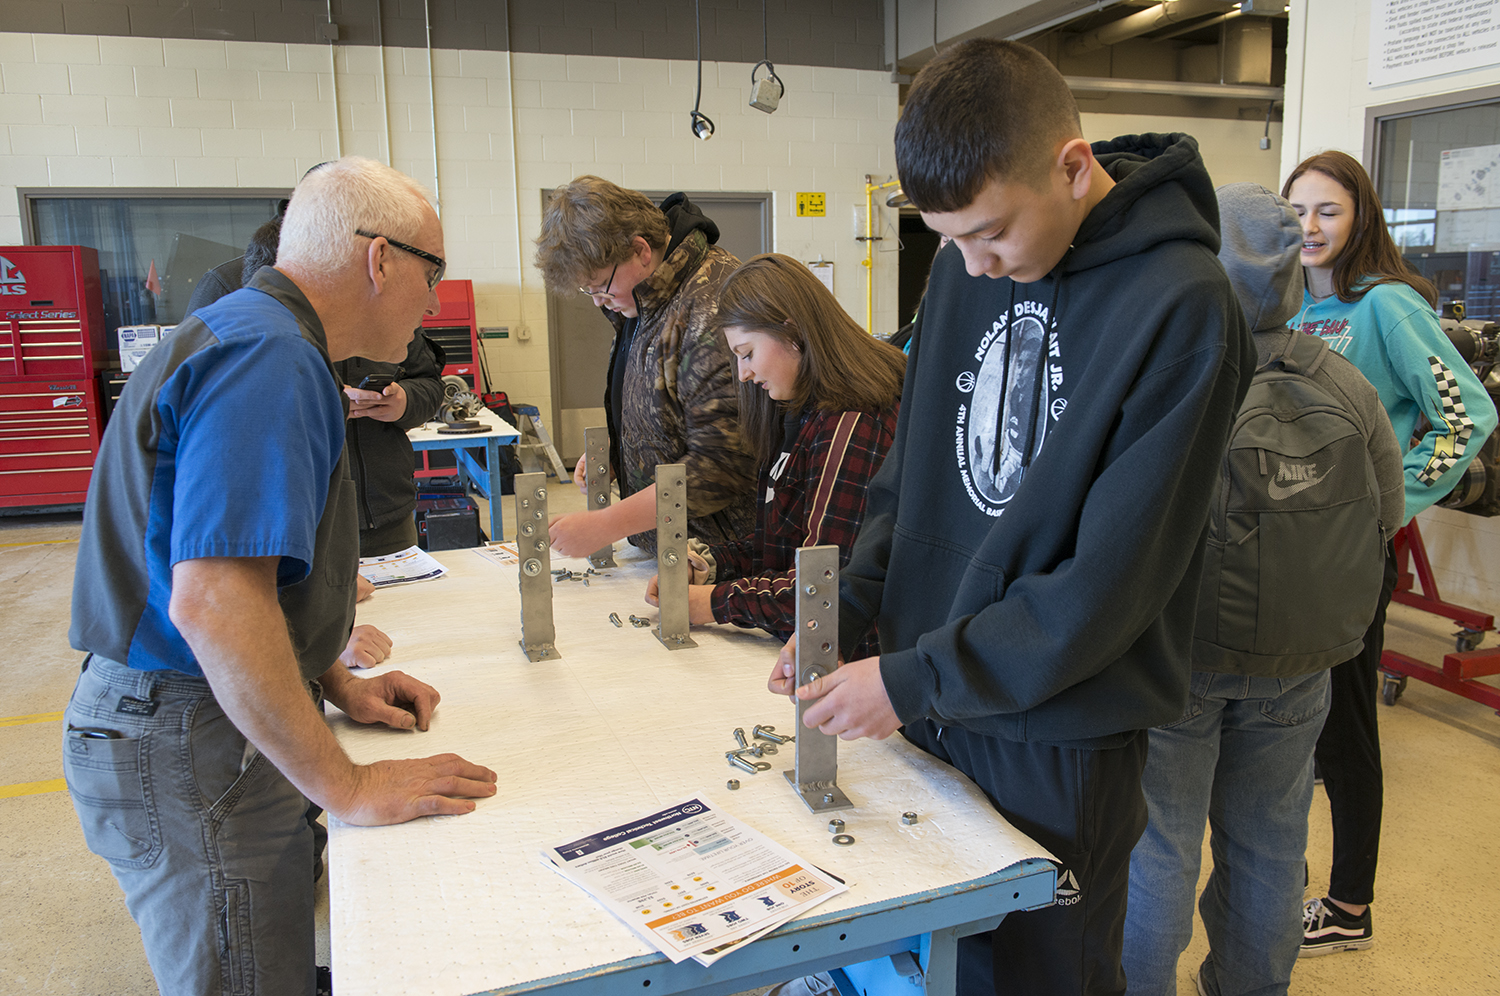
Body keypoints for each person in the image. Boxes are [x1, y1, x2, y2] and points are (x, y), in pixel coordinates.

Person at [767, 40, 1254, 995]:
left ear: (1074, 168)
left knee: (1039, 979)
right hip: (932, 702)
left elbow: (1105, 588)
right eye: (947, 238)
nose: (971, 266)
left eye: (989, 233)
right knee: (928, 969)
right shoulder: (960, 267)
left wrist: (909, 680)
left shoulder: (1186, 308)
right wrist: (847, 612)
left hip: (1055, 737)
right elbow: (908, 479)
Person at [62, 156, 498, 996]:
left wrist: (333, 679)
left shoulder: (252, 333)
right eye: (430, 271)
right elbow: (215, 602)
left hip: (197, 717)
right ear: (379, 260)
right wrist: (349, 784)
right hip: (188, 735)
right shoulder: (271, 356)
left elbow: (252, 578)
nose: (435, 300)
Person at [1121, 183, 1405, 996]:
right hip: (1300, 664)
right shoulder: (1345, 383)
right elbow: (1386, 515)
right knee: (1272, 847)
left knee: (1160, 848)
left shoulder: (1168, 379)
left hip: (1175, 663)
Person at [1283, 150, 1498, 955]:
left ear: (1360, 216)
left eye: (1327, 210)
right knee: (1290, 732)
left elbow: (1463, 411)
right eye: (1297, 209)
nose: (1309, 226)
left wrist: (1389, 501)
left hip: (1346, 558)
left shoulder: (1386, 307)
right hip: (1283, 559)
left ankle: (1348, 907)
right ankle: (1285, 880)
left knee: (1343, 733)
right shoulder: (1290, 308)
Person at [642, 253, 904, 656]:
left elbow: (822, 587)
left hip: (851, 659)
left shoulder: (852, 423)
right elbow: (782, 541)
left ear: (792, 330)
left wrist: (711, 603)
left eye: (747, 353)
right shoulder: (801, 411)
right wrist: (712, 563)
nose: (743, 373)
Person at [197, 214, 448, 560]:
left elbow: (427, 380)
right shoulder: (238, 300)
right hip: (296, 517)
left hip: (382, 504)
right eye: (428, 279)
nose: (433, 307)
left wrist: (404, 402)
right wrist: (321, 398)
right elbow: (208, 592)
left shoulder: (376, 300)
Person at [533, 176, 757, 558]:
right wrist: (622, 452)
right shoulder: (648, 299)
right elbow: (664, 405)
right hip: (671, 549)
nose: (599, 302)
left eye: (600, 286)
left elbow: (722, 466)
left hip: (720, 561)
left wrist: (608, 523)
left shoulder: (710, 305)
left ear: (640, 250)